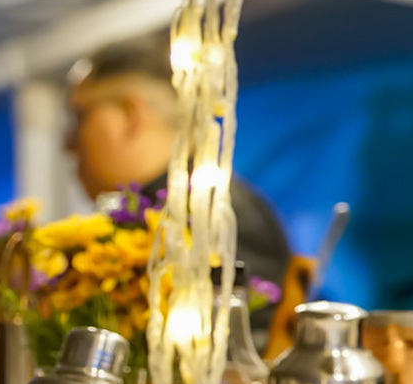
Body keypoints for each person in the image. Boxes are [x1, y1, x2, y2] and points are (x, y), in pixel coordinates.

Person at [65, 36, 292, 289]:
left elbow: (248, 313)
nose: (68, 144)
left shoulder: (219, 217)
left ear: (131, 113)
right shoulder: (165, 214)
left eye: (80, 117)